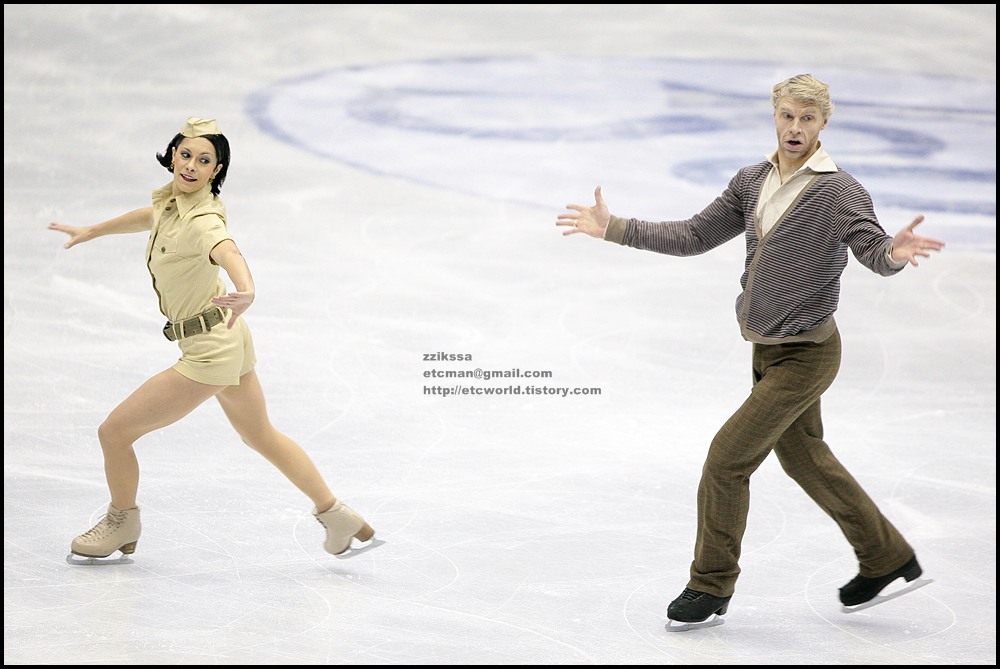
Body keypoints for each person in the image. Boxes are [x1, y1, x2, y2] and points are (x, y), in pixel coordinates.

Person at [556, 74, 944, 626]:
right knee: (806, 459)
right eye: (787, 115)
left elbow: (873, 250)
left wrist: (894, 253)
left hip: (807, 355)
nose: (795, 127)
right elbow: (694, 235)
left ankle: (710, 586)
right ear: (775, 116)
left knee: (726, 461)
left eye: (807, 118)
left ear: (823, 124)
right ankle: (887, 557)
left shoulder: (840, 191)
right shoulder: (750, 181)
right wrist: (614, 227)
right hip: (766, 351)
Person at [49, 117, 374, 560]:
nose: (191, 165)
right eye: (186, 155)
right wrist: (94, 229)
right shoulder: (172, 206)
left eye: (205, 161)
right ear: (174, 154)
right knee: (260, 434)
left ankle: (122, 522)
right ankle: (337, 515)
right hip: (230, 338)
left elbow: (227, 249)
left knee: (114, 433)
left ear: (216, 170)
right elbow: (151, 218)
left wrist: (248, 288)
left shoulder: (202, 220)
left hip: (208, 351)